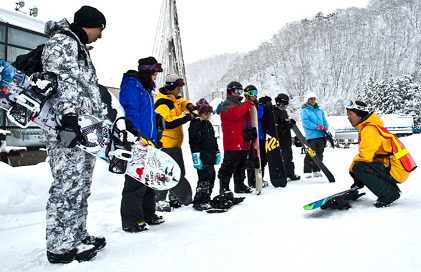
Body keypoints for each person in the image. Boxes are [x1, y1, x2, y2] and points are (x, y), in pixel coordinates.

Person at [41, 6, 107, 263]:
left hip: (83, 129)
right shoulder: (63, 43)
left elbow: (86, 91)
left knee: (80, 186)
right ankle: (60, 246)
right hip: (68, 129)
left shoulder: (78, 47)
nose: (100, 36)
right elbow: (64, 81)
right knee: (67, 186)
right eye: (100, 29)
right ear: (90, 24)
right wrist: (69, 120)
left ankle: (77, 235)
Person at [119, 57, 165, 233]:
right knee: (135, 182)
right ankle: (131, 220)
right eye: (154, 73)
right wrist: (135, 134)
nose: (155, 77)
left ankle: (148, 214)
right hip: (137, 141)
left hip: (149, 142)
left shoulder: (145, 89)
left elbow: (148, 114)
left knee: (148, 180)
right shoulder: (132, 85)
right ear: (146, 72)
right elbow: (131, 110)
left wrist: (156, 133)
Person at [347, 100, 413, 207]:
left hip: (396, 169)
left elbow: (365, 156)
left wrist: (353, 171)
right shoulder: (369, 127)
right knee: (359, 167)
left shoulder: (369, 129)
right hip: (396, 167)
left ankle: (389, 193)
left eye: (350, 114)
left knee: (359, 168)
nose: (348, 117)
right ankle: (389, 189)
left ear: (359, 114)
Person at [154, 74, 195, 208]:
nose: (180, 91)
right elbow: (167, 123)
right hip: (166, 144)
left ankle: (175, 198)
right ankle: (159, 199)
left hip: (175, 144)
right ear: (171, 88)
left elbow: (180, 102)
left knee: (179, 172)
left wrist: (188, 105)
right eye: (178, 88)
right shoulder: (162, 103)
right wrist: (186, 117)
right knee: (166, 174)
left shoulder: (173, 98)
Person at [218, 81, 254, 194]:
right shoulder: (226, 104)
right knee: (229, 165)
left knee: (241, 165)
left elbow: (247, 117)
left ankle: (240, 185)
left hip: (242, 140)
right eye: (237, 91)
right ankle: (224, 187)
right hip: (232, 142)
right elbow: (235, 114)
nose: (239, 94)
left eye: (240, 91)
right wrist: (247, 103)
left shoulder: (240, 104)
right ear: (230, 91)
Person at [188, 98, 220, 211]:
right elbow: (194, 141)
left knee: (212, 176)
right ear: (201, 113)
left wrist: (217, 152)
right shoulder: (196, 123)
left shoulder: (208, 124)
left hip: (210, 155)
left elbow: (213, 140)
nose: (208, 116)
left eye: (209, 113)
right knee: (204, 178)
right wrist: (196, 156)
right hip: (202, 156)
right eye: (206, 114)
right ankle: (199, 200)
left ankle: (207, 197)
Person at [243, 85, 268, 187]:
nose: (254, 95)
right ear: (247, 94)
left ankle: (260, 178)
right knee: (253, 158)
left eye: (255, 93)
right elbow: (257, 115)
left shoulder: (255, 104)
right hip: (252, 135)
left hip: (260, 135)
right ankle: (252, 180)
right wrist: (261, 106)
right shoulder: (247, 105)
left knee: (262, 157)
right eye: (252, 93)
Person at [301, 92, 329, 178]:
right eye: (311, 99)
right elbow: (305, 122)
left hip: (321, 135)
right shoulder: (305, 110)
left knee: (320, 153)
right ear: (308, 100)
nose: (313, 100)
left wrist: (326, 128)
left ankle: (316, 170)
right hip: (311, 135)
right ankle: (307, 171)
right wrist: (316, 127)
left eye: (314, 99)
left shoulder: (319, 110)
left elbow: (324, 120)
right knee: (310, 153)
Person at [273, 93, 301, 181]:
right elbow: (274, 127)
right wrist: (284, 126)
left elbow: (285, 121)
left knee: (289, 157)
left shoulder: (284, 112)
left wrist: (290, 122)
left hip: (287, 139)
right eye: (282, 105)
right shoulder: (274, 112)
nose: (283, 107)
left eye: (285, 106)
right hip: (279, 139)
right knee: (282, 158)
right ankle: (282, 174)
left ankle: (290, 173)